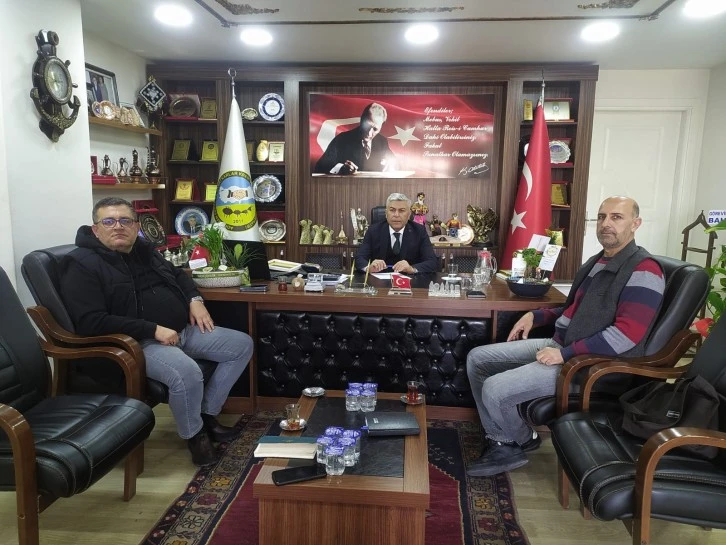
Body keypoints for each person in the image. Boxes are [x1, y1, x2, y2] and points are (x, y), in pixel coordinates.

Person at [465, 196, 665, 477]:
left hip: (590, 365)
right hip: (564, 346)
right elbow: (572, 311)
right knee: (477, 359)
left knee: (494, 389)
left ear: (636, 224)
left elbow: (625, 336)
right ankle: (512, 439)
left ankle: (511, 442)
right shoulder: (597, 262)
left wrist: (564, 354)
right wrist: (536, 316)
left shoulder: (644, 270)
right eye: (602, 216)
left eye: (617, 217)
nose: (606, 224)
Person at [60, 197, 254, 467]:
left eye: (125, 220)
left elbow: (179, 275)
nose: (118, 226)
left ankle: (207, 415)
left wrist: (194, 300)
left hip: (181, 331)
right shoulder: (81, 264)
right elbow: (90, 321)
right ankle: (195, 436)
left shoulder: (143, 251)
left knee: (241, 345)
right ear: (96, 229)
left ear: (136, 226)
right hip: (138, 343)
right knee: (187, 372)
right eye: (109, 221)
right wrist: (152, 329)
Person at [355, 192, 438, 274]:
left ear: (409, 214)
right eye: (392, 210)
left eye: (401, 211)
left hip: (410, 280)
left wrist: (412, 269)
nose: (396, 215)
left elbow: (432, 262)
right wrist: (368, 268)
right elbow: (359, 258)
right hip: (378, 280)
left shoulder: (419, 231)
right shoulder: (373, 231)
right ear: (386, 213)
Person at [314, 102, 396, 174]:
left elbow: (394, 162)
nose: (369, 133)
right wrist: (341, 168)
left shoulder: (382, 141)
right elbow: (320, 167)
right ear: (361, 120)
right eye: (367, 125)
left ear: (381, 127)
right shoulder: (341, 140)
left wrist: (390, 164)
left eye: (375, 129)